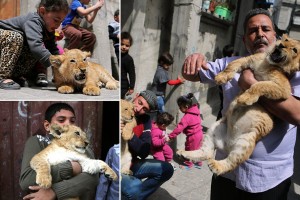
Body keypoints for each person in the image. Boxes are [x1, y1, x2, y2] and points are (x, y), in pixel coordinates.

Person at [182, 8, 300, 200]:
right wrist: (193, 60)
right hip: (226, 172)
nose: (260, 34)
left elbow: (297, 115)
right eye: (253, 30)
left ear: (275, 36)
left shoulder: (293, 71)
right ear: (245, 40)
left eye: (265, 29)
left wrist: (251, 85)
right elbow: (192, 74)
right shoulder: (231, 62)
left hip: (268, 179)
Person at [20, 103, 99, 200]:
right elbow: (27, 180)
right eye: (61, 120)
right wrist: (70, 167)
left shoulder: (81, 145)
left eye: (72, 121)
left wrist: (55, 191)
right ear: (47, 126)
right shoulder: (37, 141)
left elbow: (93, 178)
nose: (68, 124)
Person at [0, 0, 69, 90]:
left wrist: (64, 62)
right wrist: (55, 61)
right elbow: (36, 47)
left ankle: (15, 76)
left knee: (31, 47)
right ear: (42, 11)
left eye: (61, 22)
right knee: (16, 38)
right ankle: (2, 77)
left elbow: (53, 49)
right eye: (56, 20)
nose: (58, 25)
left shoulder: (49, 29)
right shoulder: (33, 21)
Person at [121, 90, 174, 200]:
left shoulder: (145, 120)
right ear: (136, 96)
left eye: (145, 109)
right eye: (139, 103)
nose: (138, 109)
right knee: (134, 186)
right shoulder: (120, 106)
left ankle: (135, 196)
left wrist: (130, 134)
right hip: (116, 165)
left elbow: (144, 151)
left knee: (167, 169)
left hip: (132, 163)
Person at [167, 93, 203, 167]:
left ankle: (188, 163)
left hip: (192, 136)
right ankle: (199, 162)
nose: (179, 109)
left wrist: (171, 136)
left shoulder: (187, 117)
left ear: (186, 107)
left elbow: (179, 128)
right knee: (197, 149)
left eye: (180, 107)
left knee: (189, 149)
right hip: (200, 133)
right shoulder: (196, 110)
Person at [217, 44, 235, 120]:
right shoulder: (231, 63)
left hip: (221, 88)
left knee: (222, 106)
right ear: (232, 53)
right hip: (227, 88)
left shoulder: (222, 61)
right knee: (225, 107)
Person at [121, 32, 136, 99]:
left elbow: (132, 73)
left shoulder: (129, 59)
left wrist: (131, 87)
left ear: (130, 46)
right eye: (122, 44)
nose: (124, 47)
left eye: (127, 46)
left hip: (123, 86)